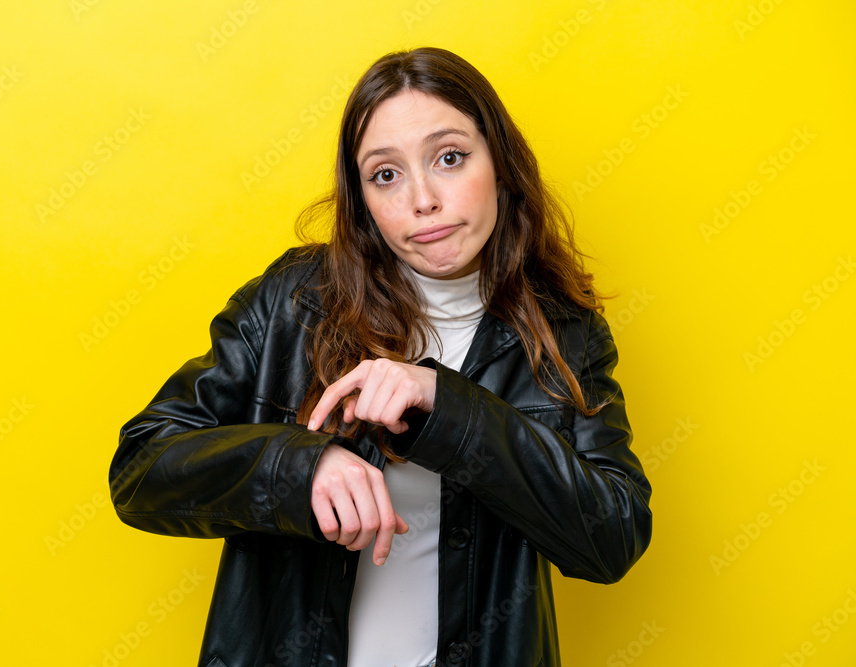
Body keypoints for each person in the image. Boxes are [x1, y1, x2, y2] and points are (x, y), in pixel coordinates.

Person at [108, 46, 652, 667]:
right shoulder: (294, 301)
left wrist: (447, 405)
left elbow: (612, 537)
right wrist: (298, 469)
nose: (423, 199)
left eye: (449, 158)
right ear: (362, 198)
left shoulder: (565, 333)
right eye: (385, 174)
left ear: (500, 165)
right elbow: (141, 469)